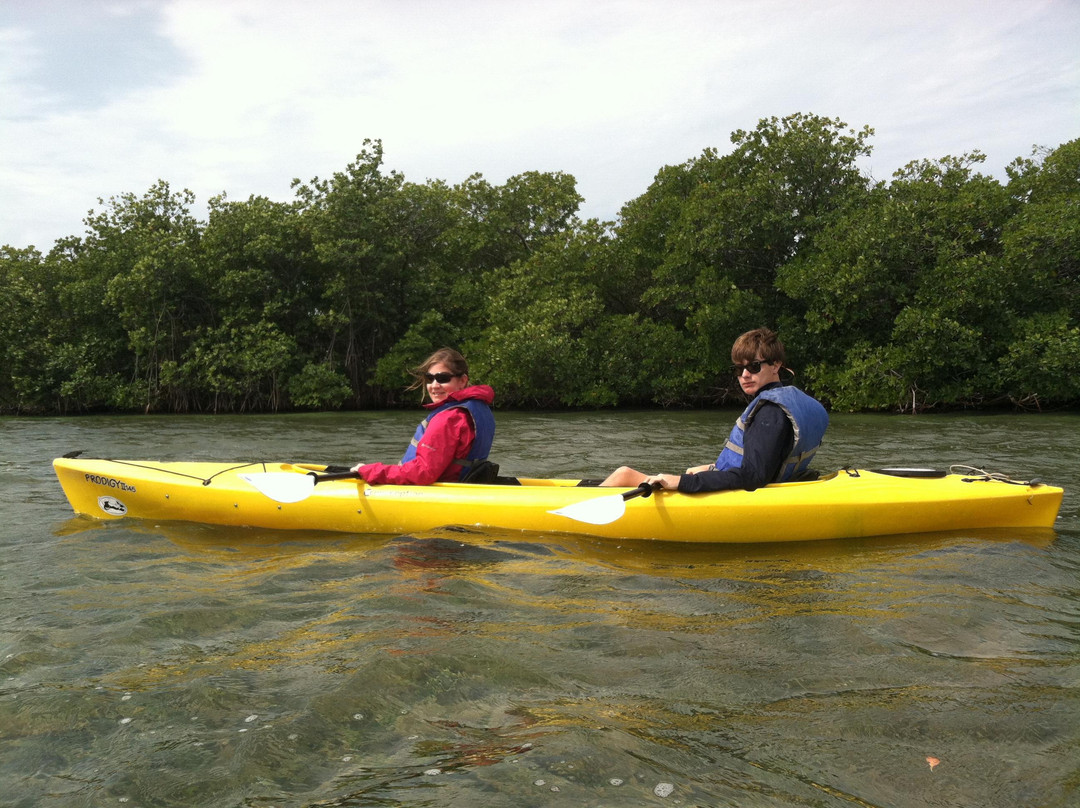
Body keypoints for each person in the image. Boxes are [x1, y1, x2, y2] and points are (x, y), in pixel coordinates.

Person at [600, 327, 827, 493]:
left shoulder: (770, 413)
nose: (745, 375)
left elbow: (753, 476)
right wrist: (710, 468)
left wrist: (681, 482)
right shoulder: (788, 401)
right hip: (766, 485)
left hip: (740, 495)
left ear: (776, 364)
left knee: (624, 474)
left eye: (753, 367)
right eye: (739, 369)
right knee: (692, 469)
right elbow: (766, 463)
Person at [351, 348, 496, 485]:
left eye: (443, 378)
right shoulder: (477, 408)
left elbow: (423, 473)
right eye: (429, 378)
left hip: (440, 493)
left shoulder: (449, 419)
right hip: (462, 486)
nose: (434, 385)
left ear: (462, 381)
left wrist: (370, 471)